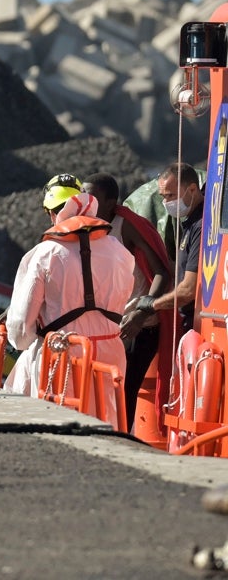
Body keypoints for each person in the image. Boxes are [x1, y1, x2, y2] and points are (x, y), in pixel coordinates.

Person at [3, 177, 134, 424]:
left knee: (51, 422)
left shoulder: (44, 253)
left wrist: (23, 341)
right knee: (107, 423)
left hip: (61, 355)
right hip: (110, 352)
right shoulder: (119, 250)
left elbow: (20, 331)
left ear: (53, 214)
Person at [82, 172, 173, 425]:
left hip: (137, 327)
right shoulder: (84, 226)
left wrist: (141, 312)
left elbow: (161, 272)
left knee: (124, 390)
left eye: (92, 196)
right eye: (83, 196)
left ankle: (121, 443)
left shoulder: (127, 225)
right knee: (98, 388)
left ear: (111, 203)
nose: (86, 201)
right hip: (107, 326)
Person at [120, 163, 203, 362]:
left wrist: (150, 304)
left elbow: (188, 290)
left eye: (171, 196)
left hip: (196, 324)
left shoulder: (201, 226)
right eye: (163, 197)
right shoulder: (189, 223)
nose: (166, 203)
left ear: (192, 189)